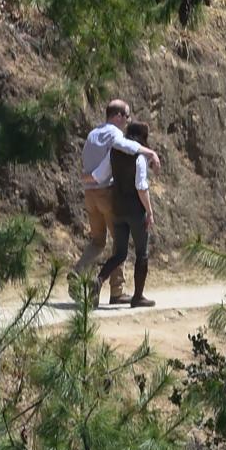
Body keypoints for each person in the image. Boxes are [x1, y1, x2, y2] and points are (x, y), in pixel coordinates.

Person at [73, 99, 160, 304]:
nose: (126, 121)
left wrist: (85, 178)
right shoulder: (117, 138)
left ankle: (80, 273)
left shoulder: (92, 134)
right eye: (126, 116)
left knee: (98, 241)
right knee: (123, 248)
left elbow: (97, 172)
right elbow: (139, 179)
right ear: (118, 116)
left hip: (90, 194)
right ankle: (119, 292)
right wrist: (149, 152)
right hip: (109, 197)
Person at [91, 120, 156, 308]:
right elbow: (141, 187)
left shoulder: (114, 153)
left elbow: (101, 176)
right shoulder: (140, 156)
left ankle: (98, 280)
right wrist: (149, 212)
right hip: (136, 211)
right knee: (142, 254)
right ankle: (138, 297)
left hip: (117, 209)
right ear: (142, 138)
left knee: (119, 253)